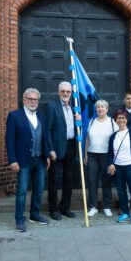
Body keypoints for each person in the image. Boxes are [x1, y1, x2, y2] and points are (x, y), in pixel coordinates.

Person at [6, 88, 50, 232]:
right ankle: (19, 219)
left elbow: (45, 137)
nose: (32, 101)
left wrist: (47, 155)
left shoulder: (41, 116)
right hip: (23, 160)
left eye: (35, 99)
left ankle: (35, 215)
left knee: (38, 190)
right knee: (22, 191)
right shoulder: (14, 116)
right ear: (24, 100)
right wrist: (12, 160)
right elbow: (9, 140)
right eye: (30, 99)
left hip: (40, 159)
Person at [45, 81, 80, 221]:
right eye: (63, 91)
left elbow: (78, 130)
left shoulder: (75, 108)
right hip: (57, 149)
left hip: (71, 147)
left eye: (68, 91)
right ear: (59, 92)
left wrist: (79, 121)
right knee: (54, 180)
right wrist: (50, 149)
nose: (65, 94)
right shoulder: (52, 107)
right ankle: (53, 209)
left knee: (69, 179)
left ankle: (65, 208)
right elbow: (47, 130)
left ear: (71, 93)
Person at [107, 110, 131, 225]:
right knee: (121, 192)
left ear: (126, 119)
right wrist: (111, 164)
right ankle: (126, 213)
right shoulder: (113, 136)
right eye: (119, 118)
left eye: (123, 118)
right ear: (115, 120)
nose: (121, 120)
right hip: (118, 167)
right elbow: (109, 153)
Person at [84, 99, 118, 217]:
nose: (100, 109)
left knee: (106, 182)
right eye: (98, 107)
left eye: (102, 107)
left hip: (106, 156)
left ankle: (106, 206)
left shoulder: (112, 122)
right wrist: (86, 154)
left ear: (107, 109)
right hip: (93, 155)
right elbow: (87, 139)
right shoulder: (92, 121)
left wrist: (114, 159)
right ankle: (93, 207)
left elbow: (117, 140)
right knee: (92, 181)